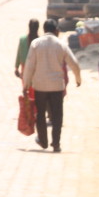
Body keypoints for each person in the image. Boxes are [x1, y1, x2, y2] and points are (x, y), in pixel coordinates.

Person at [22, 19, 82, 152]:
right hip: (56, 86)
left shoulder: (36, 44)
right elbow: (74, 63)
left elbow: (29, 66)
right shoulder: (61, 44)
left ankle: (43, 141)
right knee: (57, 116)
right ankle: (56, 143)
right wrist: (78, 79)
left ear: (44, 30)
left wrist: (26, 85)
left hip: (40, 86)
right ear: (57, 31)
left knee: (41, 115)